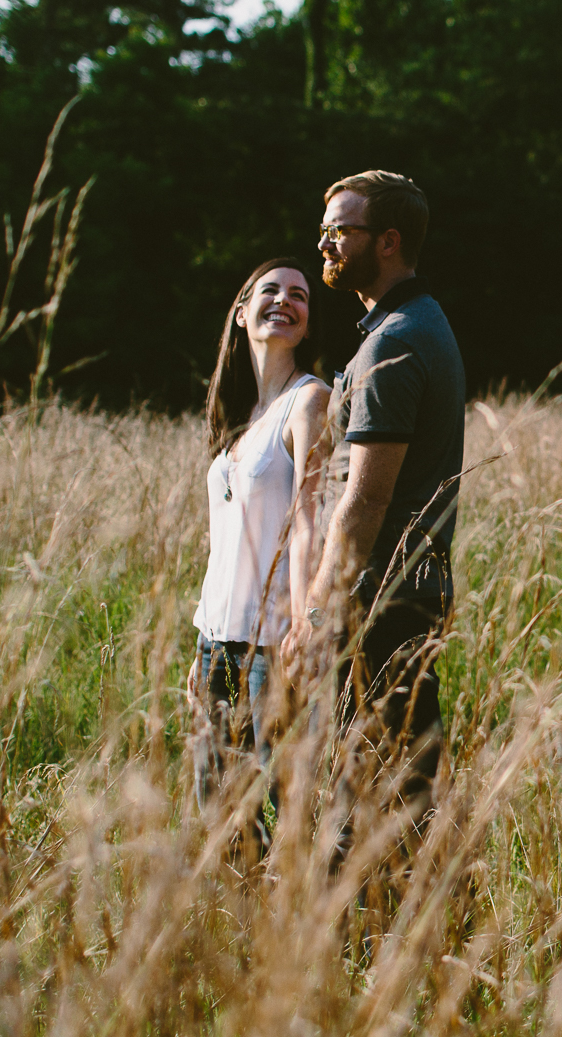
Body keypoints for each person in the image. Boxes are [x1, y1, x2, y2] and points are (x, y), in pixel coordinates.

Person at [281, 171, 465, 852]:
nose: (325, 242)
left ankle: (378, 946)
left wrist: (320, 613)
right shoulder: (409, 324)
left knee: (371, 809)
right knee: (390, 794)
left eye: (340, 229)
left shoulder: (395, 340)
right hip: (402, 595)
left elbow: (365, 498)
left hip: (382, 602)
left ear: (387, 241)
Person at [188, 257, 330, 814]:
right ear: (242, 313)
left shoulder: (309, 399)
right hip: (214, 637)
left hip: (270, 642)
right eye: (270, 291)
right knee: (213, 804)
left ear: (307, 324)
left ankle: (286, 901)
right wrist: (200, 641)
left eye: (300, 295)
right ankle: (239, 905)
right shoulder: (237, 414)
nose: (285, 300)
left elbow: (307, 518)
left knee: (267, 803)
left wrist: (304, 624)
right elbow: (221, 539)